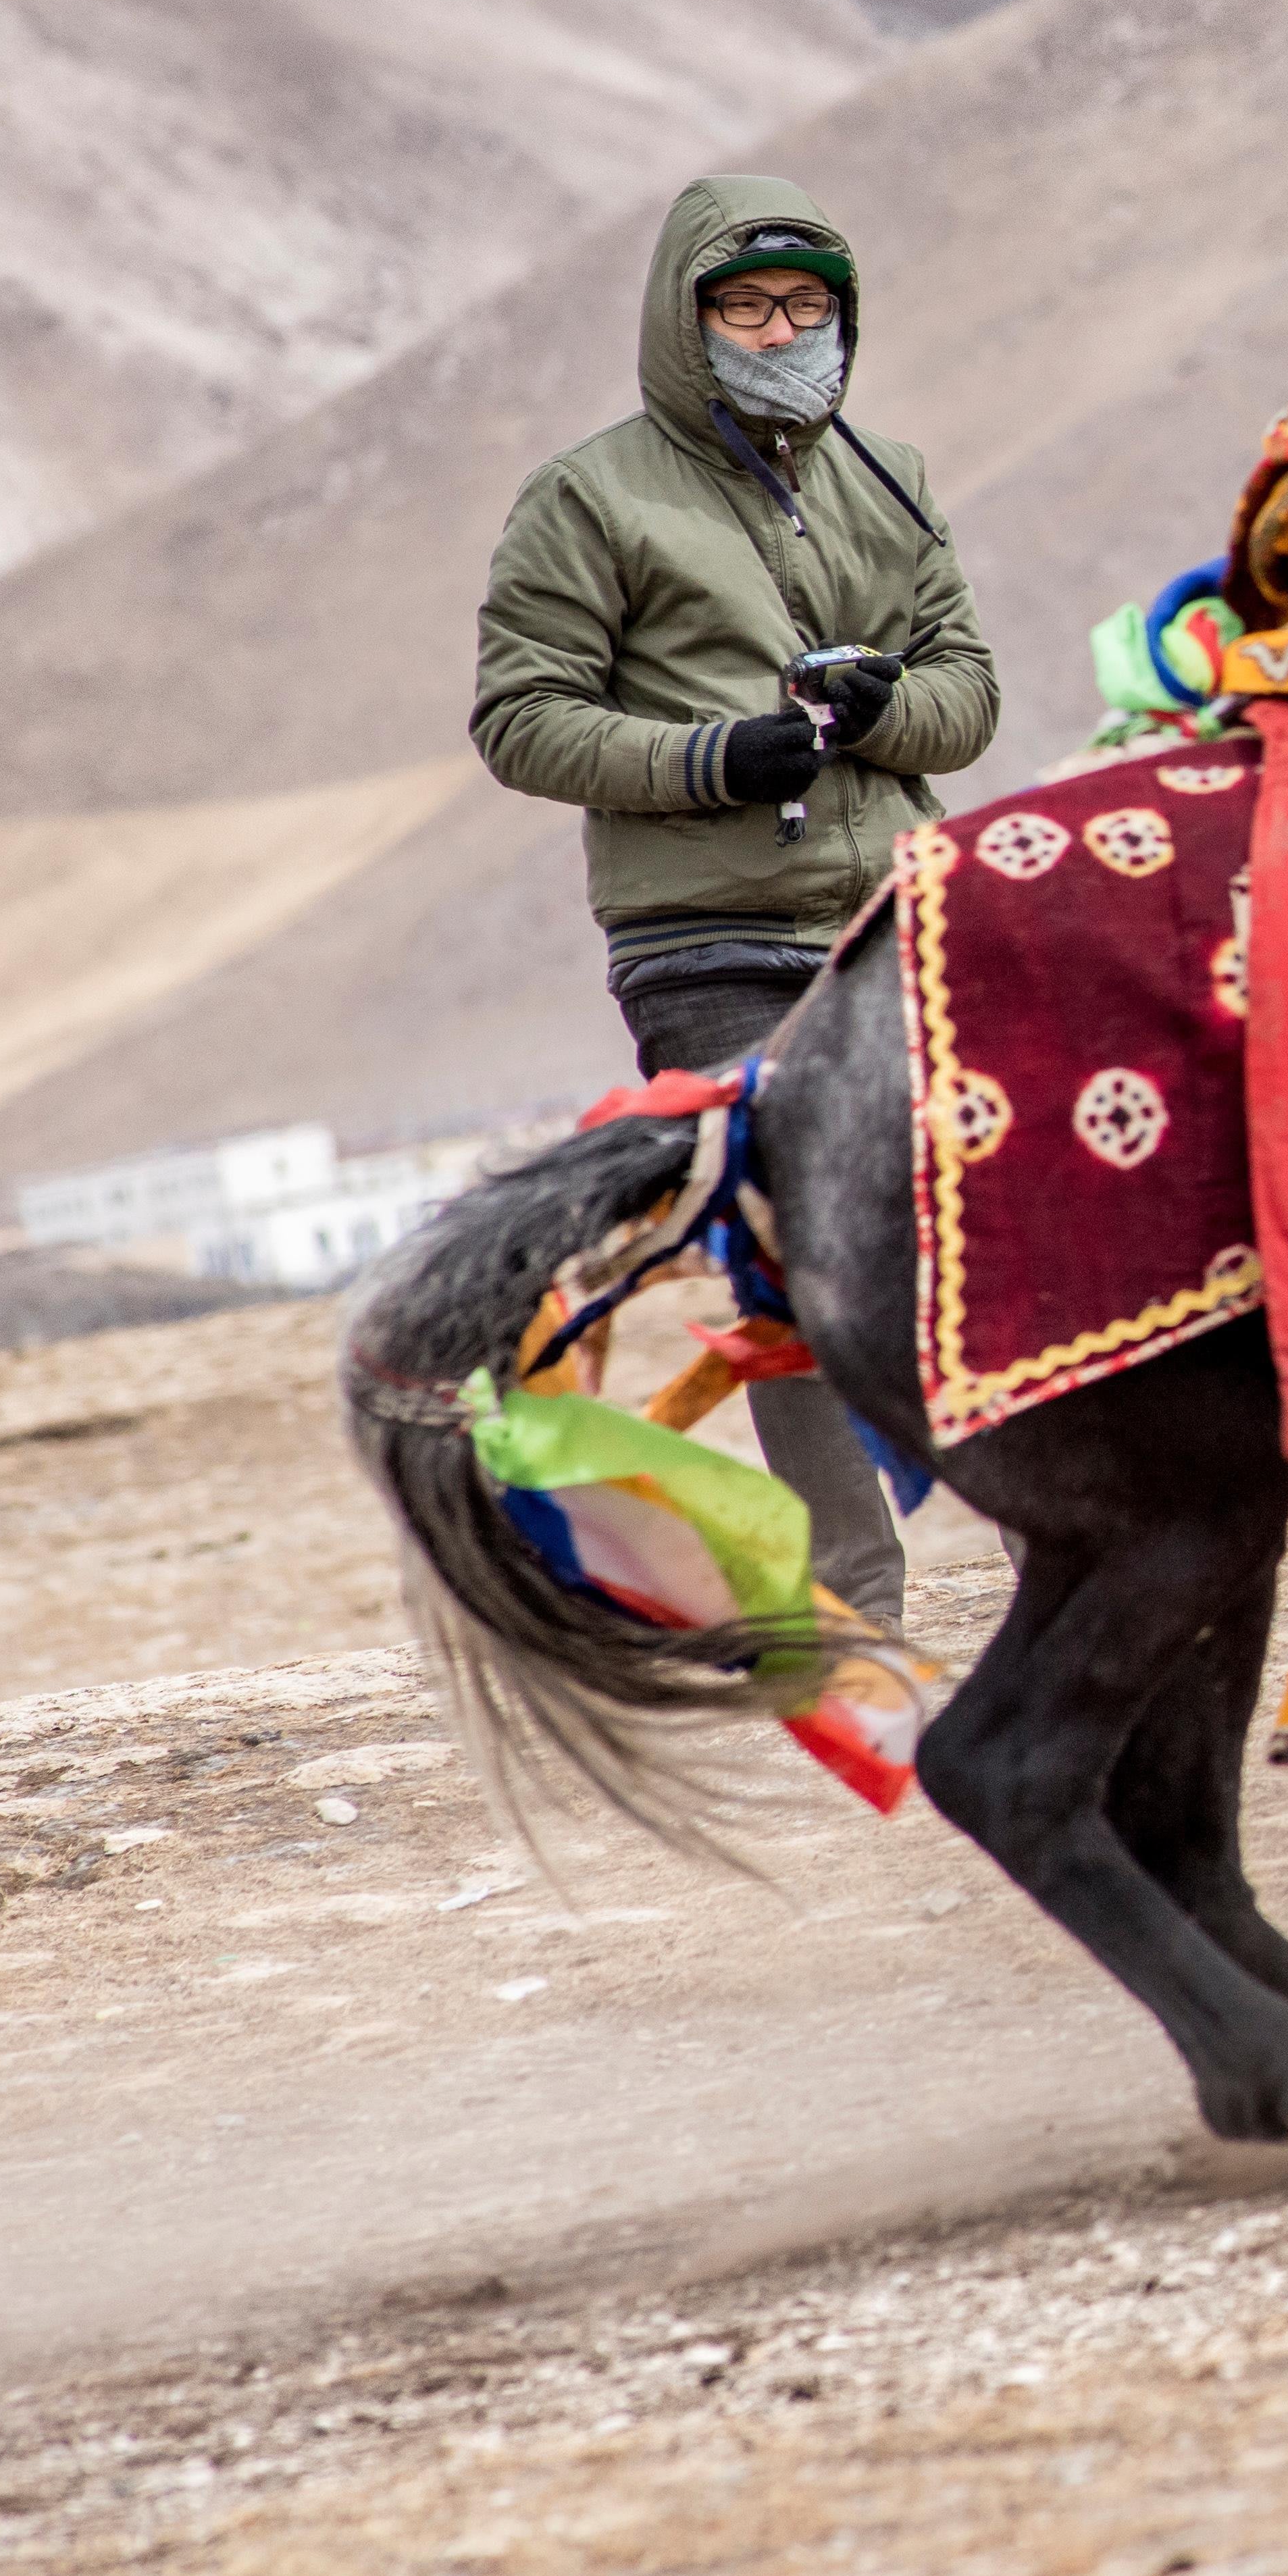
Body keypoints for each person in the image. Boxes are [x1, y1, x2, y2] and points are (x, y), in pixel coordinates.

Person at [471, 179, 997, 1624]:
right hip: (707, 942)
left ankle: (1060, 1555)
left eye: (809, 305)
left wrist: (886, 711)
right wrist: (715, 756)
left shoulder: (887, 474)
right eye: (749, 305)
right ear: (685, 320)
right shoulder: (592, 496)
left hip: (897, 911)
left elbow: (970, 692)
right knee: (796, 1259)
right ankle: (848, 1614)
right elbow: (521, 719)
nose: (784, 330)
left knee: (982, 1223)